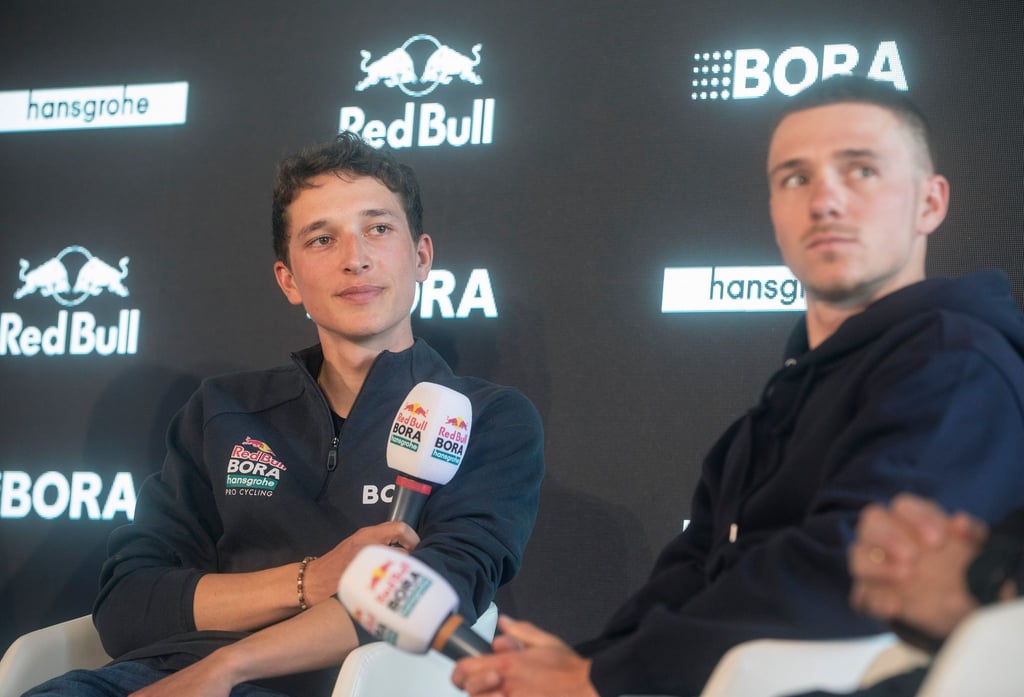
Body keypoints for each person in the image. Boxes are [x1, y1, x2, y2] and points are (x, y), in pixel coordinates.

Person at [451, 74, 1024, 697]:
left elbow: (846, 575)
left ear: (930, 203)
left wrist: (598, 678)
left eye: (861, 171)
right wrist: (573, 668)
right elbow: (687, 579)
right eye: (795, 178)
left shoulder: (953, 363)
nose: (825, 201)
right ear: (774, 211)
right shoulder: (776, 406)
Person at [23, 132, 544, 697]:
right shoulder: (222, 410)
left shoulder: (487, 418)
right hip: (152, 678)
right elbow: (128, 605)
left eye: (378, 228)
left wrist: (228, 668)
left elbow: (435, 595)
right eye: (322, 239)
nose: (356, 258)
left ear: (421, 257)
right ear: (289, 280)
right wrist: (311, 581)